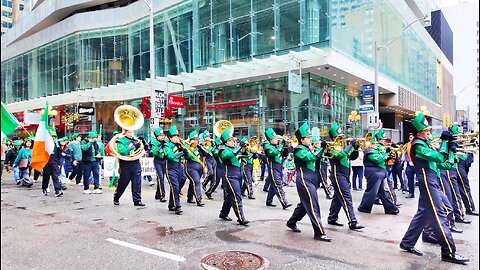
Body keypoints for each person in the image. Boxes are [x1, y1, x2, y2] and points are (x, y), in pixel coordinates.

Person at [399, 112, 469, 264]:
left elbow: (443, 163)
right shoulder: (418, 145)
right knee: (439, 215)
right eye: (427, 131)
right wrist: (444, 143)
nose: (429, 133)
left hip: (432, 180)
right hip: (427, 181)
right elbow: (437, 157)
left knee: (423, 214)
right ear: (419, 132)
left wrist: (451, 150)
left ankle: (407, 242)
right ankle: (448, 251)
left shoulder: (424, 144)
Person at [286, 123, 331, 242]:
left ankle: (291, 222)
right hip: (304, 179)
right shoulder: (299, 150)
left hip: (311, 178)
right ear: (302, 139)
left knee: (304, 205)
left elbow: (316, 163)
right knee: (313, 205)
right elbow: (310, 158)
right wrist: (321, 149)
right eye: (308, 138)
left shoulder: (308, 149)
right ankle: (319, 233)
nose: (311, 139)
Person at [326, 122, 364, 230]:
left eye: (342, 137)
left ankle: (332, 218)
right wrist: (351, 145)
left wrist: (356, 148)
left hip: (345, 174)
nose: (341, 139)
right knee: (347, 197)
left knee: (337, 198)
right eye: (338, 137)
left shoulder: (342, 146)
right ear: (333, 138)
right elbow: (340, 155)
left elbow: (351, 157)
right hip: (337, 174)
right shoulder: (330, 147)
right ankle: (352, 221)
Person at [357, 129, 399, 215]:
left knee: (382, 192)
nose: (377, 144)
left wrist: (389, 155)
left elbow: (382, 159)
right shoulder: (369, 150)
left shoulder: (375, 150)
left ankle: (390, 208)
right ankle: (364, 207)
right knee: (372, 192)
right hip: (373, 173)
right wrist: (386, 155)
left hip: (379, 172)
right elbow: (378, 159)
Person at [218, 128, 249, 226]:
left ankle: (223, 213)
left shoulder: (234, 149)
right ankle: (241, 218)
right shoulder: (222, 150)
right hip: (230, 175)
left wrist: (244, 149)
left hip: (238, 174)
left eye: (233, 140)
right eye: (231, 140)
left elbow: (246, 157)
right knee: (237, 196)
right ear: (226, 142)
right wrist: (239, 146)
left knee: (230, 196)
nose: (233, 141)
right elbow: (230, 155)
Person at [113, 129, 145, 206]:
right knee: (123, 183)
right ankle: (116, 197)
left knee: (137, 183)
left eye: (132, 132)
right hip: (126, 164)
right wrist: (133, 147)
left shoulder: (135, 140)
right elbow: (122, 151)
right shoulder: (120, 141)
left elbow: (143, 149)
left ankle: (137, 200)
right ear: (125, 133)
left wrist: (143, 143)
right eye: (129, 132)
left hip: (136, 162)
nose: (131, 134)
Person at [263, 128, 292, 209]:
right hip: (273, 167)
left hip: (279, 167)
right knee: (278, 184)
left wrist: (286, 146)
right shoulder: (267, 145)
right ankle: (284, 202)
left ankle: (269, 201)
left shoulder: (277, 145)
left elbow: (285, 155)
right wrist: (281, 145)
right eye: (275, 138)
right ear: (270, 139)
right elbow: (274, 153)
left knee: (273, 185)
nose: (276, 139)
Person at [163, 125, 185, 215]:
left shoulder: (179, 145)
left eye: (177, 136)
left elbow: (186, 155)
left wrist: (185, 151)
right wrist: (181, 152)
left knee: (183, 179)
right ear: (170, 138)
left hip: (179, 168)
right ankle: (177, 206)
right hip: (171, 169)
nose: (177, 138)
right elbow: (171, 156)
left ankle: (171, 204)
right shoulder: (166, 146)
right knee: (175, 187)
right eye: (174, 136)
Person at [184, 130, 206, 207]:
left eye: (197, 139)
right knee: (196, 182)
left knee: (193, 182)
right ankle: (199, 200)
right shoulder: (187, 147)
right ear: (190, 140)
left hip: (199, 167)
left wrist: (201, 146)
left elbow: (206, 154)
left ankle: (189, 198)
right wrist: (192, 147)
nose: (196, 141)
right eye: (194, 139)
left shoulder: (199, 148)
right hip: (190, 167)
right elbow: (188, 156)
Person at [42, 129, 63, 197]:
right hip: (46, 164)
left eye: (54, 137)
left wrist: (59, 163)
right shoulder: (44, 145)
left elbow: (59, 155)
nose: (53, 138)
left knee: (55, 177)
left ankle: (57, 190)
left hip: (54, 163)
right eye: (52, 136)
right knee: (46, 177)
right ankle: (44, 188)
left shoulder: (56, 145)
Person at [151, 127, 167, 202]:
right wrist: (160, 146)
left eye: (163, 135)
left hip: (165, 161)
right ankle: (162, 195)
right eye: (160, 135)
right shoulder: (154, 143)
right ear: (157, 136)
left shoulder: (166, 141)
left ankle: (158, 193)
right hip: (158, 162)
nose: (162, 136)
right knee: (160, 177)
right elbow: (154, 152)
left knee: (161, 178)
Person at [404, 133, 416, 198]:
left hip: (416, 164)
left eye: (412, 137)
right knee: (410, 179)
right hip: (410, 164)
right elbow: (406, 154)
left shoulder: (417, 144)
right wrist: (409, 161)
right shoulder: (407, 145)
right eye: (410, 137)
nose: (410, 139)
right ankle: (411, 193)